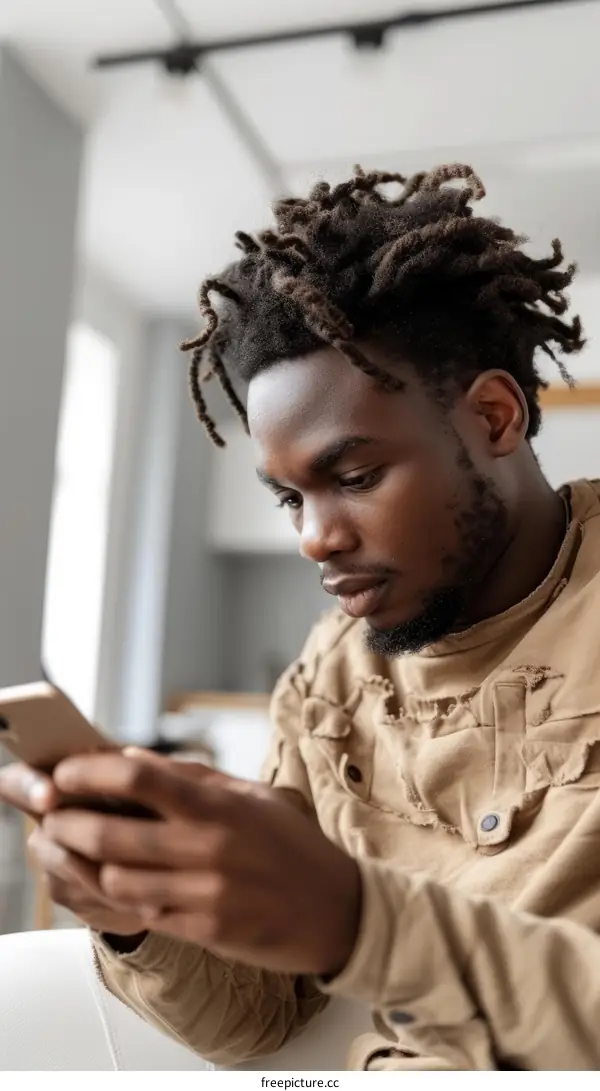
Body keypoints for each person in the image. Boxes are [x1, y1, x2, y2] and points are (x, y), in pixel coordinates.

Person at [2, 162, 600, 1071]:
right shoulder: (331, 677)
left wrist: (360, 922)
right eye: (290, 499)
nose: (316, 539)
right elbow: (260, 1019)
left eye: (354, 478)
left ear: (492, 416)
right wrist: (137, 914)